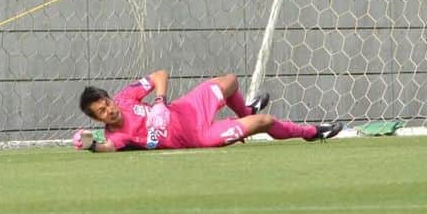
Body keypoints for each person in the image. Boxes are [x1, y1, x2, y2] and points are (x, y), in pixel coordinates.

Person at [73, 70, 342, 152]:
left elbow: (160, 75)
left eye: (106, 104)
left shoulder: (126, 97)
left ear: (110, 98)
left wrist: (160, 101)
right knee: (264, 121)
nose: (108, 111)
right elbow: (105, 147)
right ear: (97, 119)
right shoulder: (118, 136)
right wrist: (89, 145)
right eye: (101, 112)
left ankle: (244, 109)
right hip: (201, 136)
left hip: (188, 107)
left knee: (231, 81)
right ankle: (311, 132)